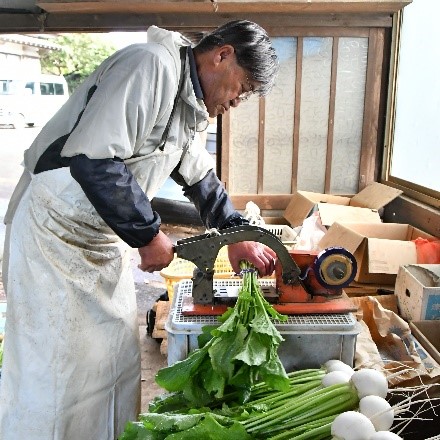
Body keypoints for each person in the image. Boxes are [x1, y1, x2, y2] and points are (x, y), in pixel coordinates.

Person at [0, 20, 279, 440]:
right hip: (54, 231)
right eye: (243, 87)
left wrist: (236, 232)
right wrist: (150, 237)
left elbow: (200, 179)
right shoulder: (150, 66)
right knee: (55, 367)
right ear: (222, 55)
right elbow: (94, 159)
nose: (238, 100)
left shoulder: (188, 107)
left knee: (111, 360)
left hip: (99, 238)